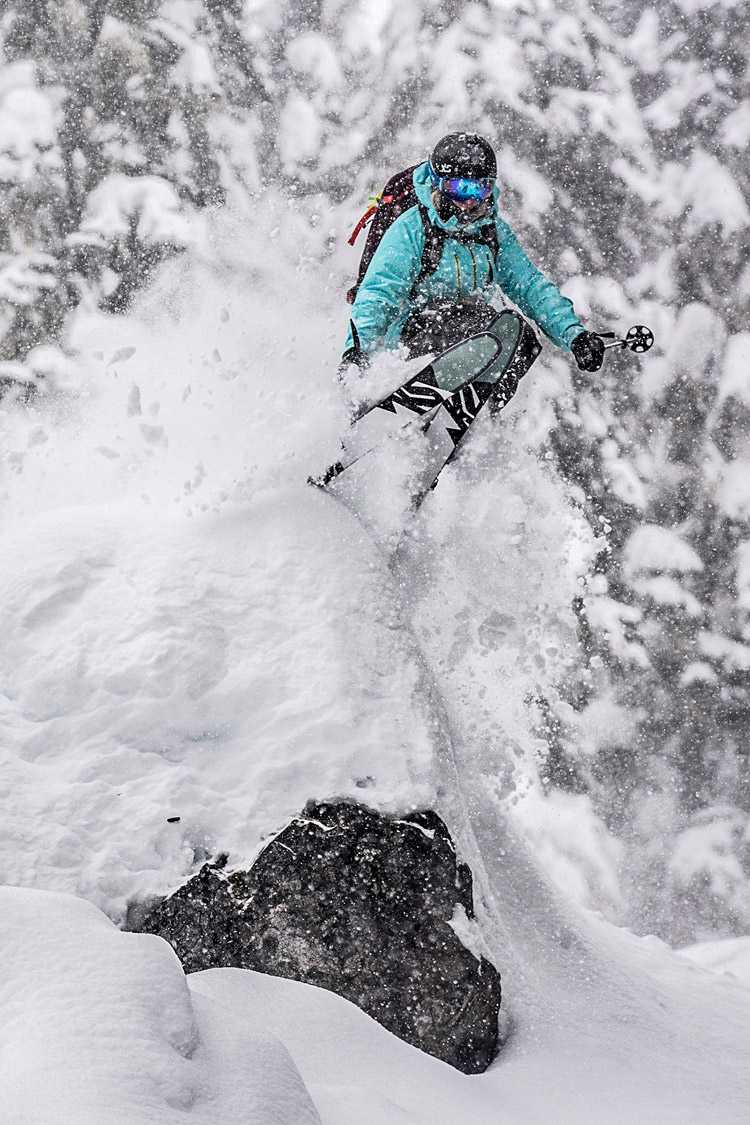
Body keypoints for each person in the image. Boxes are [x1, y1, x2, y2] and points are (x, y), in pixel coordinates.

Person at [340, 132, 604, 380]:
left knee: (521, 340)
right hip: (414, 334)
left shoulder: (492, 233)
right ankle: (427, 388)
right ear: (437, 184)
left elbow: (532, 287)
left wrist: (575, 336)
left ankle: (479, 410)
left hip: (471, 336)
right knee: (479, 328)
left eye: (480, 189)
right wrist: (357, 352)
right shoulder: (414, 229)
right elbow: (379, 293)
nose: (469, 201)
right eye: (459, 188)